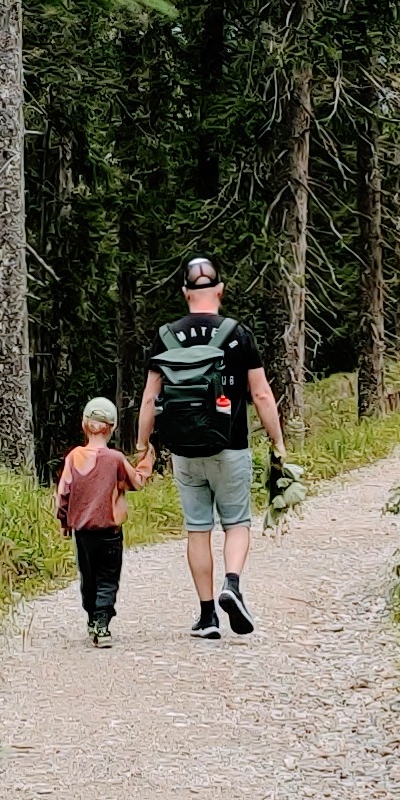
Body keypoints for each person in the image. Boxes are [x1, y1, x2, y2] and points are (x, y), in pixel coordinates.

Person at [135, 253, 288, 638]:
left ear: (186, 293)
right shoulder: (238, 334)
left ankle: (206, 617)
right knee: (236, 523)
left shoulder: (167, 336)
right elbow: (262, 394)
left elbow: (150, 399)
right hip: (230, 446)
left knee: (197, 529)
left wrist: (143, 447)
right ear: (220, 290)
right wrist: (278, 442)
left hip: (185, 451)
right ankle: (231, 585)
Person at [52, 397, 147, 644]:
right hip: (110, 531)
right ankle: (102, 623)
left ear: (84, 424)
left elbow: (63, 493)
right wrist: (146, 462)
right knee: (108, 577)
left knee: (88, 576)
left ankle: (92, 617)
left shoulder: (74, 457)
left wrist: (64, 522)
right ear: (112, 427)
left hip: (82, 532)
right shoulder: (115, 459)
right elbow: (136, 482)